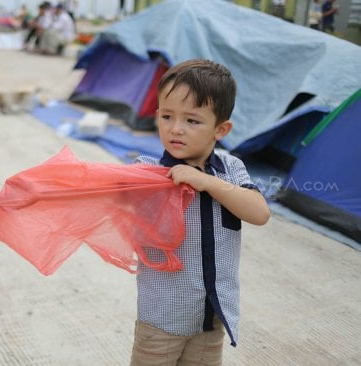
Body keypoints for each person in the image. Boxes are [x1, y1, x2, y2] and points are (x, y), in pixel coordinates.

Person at [130, 59, 270, 366]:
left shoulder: (231, 168)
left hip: (212, 316)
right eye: (167, 116)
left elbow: (260, 213)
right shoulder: (148, 172)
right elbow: (97, 194)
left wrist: (205, 181)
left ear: (221, 129)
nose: (176, 129)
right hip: (162, 319)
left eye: (192, 121)